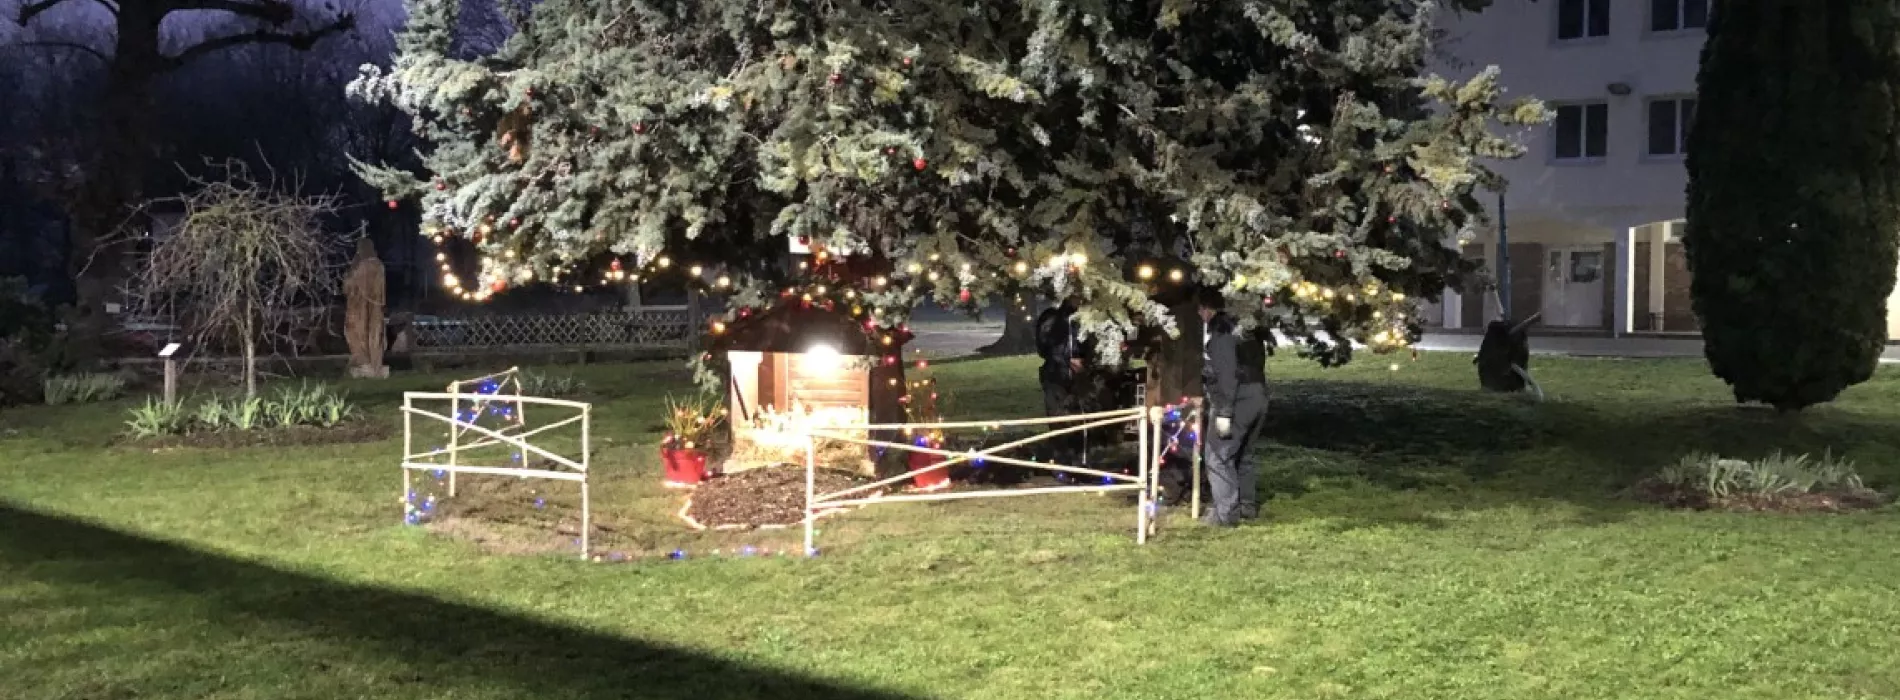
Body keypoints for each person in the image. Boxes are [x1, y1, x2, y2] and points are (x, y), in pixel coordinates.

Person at [1197, 286, 1268, 526]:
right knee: (1245, 454)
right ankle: (1247, 506)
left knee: (1218, 456)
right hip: (1259, 395)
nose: (1200, 316)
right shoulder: (1247, 330)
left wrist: (1224, 412)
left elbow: (1227, 375)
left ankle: (1225, 514)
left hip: (1237, 399)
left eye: (1200, 311)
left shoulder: (1222, 333)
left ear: (1207, 310)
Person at [1035, 296, 1086, 463]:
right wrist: (1066, 360)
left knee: (1079, 419)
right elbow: (1044, 347)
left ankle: (1079, 458)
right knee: (1057, 418)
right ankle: (1061, 458)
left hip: (1080, 379)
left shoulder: (1087, 318)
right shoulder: (1052, 319)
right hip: (1055, 376)